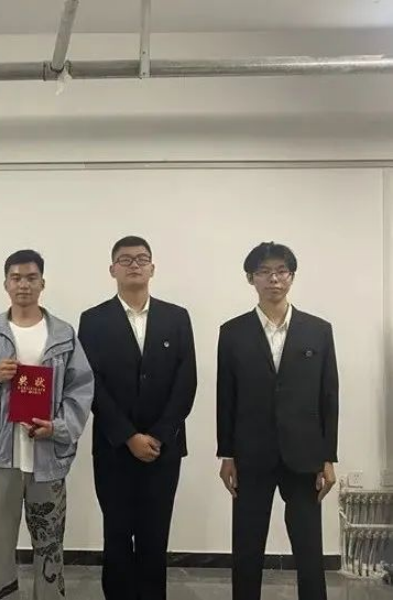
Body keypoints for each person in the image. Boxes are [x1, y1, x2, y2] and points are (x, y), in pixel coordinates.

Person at [0, 249, 94, 600]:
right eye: (16, 278)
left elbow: (81, 389)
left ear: (42, 283)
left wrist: (58, 427)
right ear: (6, 283)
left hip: (48, 455)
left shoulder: (63, 334)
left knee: (49, 540)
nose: (24, 284)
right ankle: (0, 594)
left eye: (31, 277)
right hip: (0, 453)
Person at [216, 242, 339, 600]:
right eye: (264, 272)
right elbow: (226, 397)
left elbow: (328, 396)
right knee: (247, 545)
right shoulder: (232, 332)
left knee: (309, 547)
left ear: (292, 276)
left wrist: (328, 457)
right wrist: (227, 454)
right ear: (251, 278)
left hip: (304, 454)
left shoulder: (318, 330)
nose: (274, 279)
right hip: (251, 453)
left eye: (281, 271)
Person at [78, 236, 197, 600]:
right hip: (114, 447)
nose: (134, 265)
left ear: (152, 268)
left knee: (154, 536)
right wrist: (129, 436)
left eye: (141, 259)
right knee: (116, 534)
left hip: (164, 449)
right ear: (112, 269)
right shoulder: (93, 320)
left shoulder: (177, 318)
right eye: (126, 259)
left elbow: (186, 382)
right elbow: (91, 382)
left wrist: (159, 435)